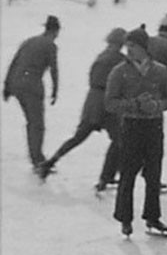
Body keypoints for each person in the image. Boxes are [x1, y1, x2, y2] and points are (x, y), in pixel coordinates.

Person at [105, 25, 167, 237]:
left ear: (144, 47)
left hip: (154, 127)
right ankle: (125, 218)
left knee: (154, 174)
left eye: (133, 46)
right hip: (131, 127)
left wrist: (157, 106)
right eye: (127, 46)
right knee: (128, 175)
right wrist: (134, 105)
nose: (129, 50)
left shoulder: (160, 71)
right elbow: (109, 103)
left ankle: (152, 217)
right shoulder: (119, 71)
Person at [38, 27, 126, 188]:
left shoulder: (101, 56)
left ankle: (50, 162)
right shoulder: (120, 59)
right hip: (107, 105)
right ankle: (106, 178)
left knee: (78, 137)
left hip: (92, 102)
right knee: (120, 140)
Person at [3, 15, 60, 170]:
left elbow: (14, 62)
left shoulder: (29, 41)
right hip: (32, 86)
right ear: (56, 31)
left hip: (17, 84)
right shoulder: (50, 46)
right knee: (37, 124)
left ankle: (35, 156)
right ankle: (38, 159)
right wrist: (55, 90)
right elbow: (54, 70)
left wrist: (7, 86)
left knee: (31, 122)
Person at [147, 13, 167, 194]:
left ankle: (108, 175)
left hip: (136, 95)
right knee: (154, 145)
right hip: (156, 101)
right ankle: (154, 181)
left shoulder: (148, 42)